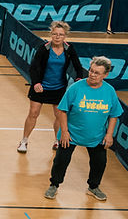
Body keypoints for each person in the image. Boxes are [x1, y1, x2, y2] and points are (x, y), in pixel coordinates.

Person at [44, 56, 122, 202]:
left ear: (105, 75)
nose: (92, 74)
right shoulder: (75, 88)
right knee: (61, 161)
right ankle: (54, 185)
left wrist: (109, 134)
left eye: (97, 73)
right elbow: (62, 110)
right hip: (71, 134)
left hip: (97, 136)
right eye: (91, 71)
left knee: (99, 162)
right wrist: (65, 132)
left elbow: (114, 114)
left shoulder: (109, 91)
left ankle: (93, 187)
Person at [18, 21, 85, 153]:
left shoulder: (69, 49)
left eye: (60, 34)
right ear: (51, 34)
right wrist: (36, 83)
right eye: (54, 34)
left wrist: (78, 79)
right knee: (33, 113)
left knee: (59, 115)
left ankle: (57, 140)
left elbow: (78, 66)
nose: (57, 37)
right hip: (41, 87)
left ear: (65, 36)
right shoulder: (44, 48)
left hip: (58, 88)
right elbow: (34, 67)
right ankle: (24, 141)